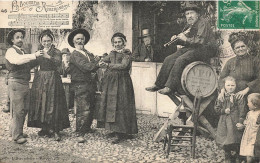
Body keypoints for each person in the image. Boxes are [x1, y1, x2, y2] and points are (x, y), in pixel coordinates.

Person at [145, 3, 216, 95]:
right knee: (169, 58)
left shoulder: (203, 23)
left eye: (191, 13)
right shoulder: (188, 26)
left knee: (181, 59)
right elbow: (186, 42)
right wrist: (177, 40)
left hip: (204, 50)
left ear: (197, 14)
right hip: (192, 48)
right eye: (187, 14)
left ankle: (170, 87)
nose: (189, 16)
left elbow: (200, 41)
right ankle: (158, 84)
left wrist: (185, 38)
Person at [27, 29, 70, 141]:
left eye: (48, 40)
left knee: (54, 102)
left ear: (52, 40)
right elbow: (33, 63)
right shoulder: (39, 51)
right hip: (40, 78)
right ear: (41, 41)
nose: (46, 43)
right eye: (44, 41)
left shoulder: (56, 51)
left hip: (53, 78)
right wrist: (28, 58)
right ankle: (44, 127)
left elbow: (58, 64)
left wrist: (48, 56)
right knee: (42, 101)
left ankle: (55, 129)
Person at [97, 32, 138, 144]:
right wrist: (100, 61)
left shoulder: (127, 54)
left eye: (119, 42)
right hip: (112, 82)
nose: (117, 44)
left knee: (121, 105)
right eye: (115, 42)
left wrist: (108, 65)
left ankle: (122, 132)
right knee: (111, 105)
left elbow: (123, 66)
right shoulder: (112, 53)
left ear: (124, 43)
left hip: (123, 82)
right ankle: (114, 129)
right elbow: (104, 60)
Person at [5, 29, 43, 144]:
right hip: (16, 82)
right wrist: (34, 55)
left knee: (24, 108)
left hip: (24, 83)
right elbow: (18, 61)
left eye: (21, 37)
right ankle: (16, 136)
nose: (20, 39)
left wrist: (40, 57)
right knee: (18, 110)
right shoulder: (11, 51)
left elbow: (27, 64)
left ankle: (15, 131)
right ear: (12, 40)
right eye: (17, 37)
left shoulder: (22, 51)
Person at [68, 28, 100, 143]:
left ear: (85, 40)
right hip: (80, 84)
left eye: (82, 39)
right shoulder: (75, 55)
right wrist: (97, 63)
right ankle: (79, 133)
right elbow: (87, 67)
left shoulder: (87, 53)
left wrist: (96, 61)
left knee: (91, 106)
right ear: (73, 41)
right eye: (77, 39)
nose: (80, 41)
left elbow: (92, 62)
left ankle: (87, 127)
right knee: (83, 109)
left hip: (90, 84)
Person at [218, 32, 260, 102]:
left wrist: (245, 91)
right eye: (237, 47)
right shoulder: (230, 62)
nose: (240, 49)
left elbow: (259, 79)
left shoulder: (255, 61)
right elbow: (222, 78)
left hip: (250, 95)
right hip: (232, 94)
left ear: (247, 47)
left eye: (242, 46)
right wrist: (222, 91)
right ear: (234, 50)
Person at [215, 76, 247, 163]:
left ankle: (237, 155)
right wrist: (223, 110)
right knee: (225, 137)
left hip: (234, 120)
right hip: (224, 121)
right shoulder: (221, 97)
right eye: (228, 85)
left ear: (236, 86)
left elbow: (242, 110)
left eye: (232, 85)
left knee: (236, 138)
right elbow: (216, 109)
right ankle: (227, 155)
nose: (230, 87)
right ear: (224, 86)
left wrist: (240, 121)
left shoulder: (238, 97)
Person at [238, 93, 260, 163]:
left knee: (252, 150)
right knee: (248, 151)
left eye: (249, 103)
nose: (247, 104)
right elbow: (247, 123)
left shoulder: (258, 114)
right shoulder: (249, 113)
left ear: (255, 105)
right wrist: (243, 125)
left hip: (255, 136)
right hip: (248, 135)